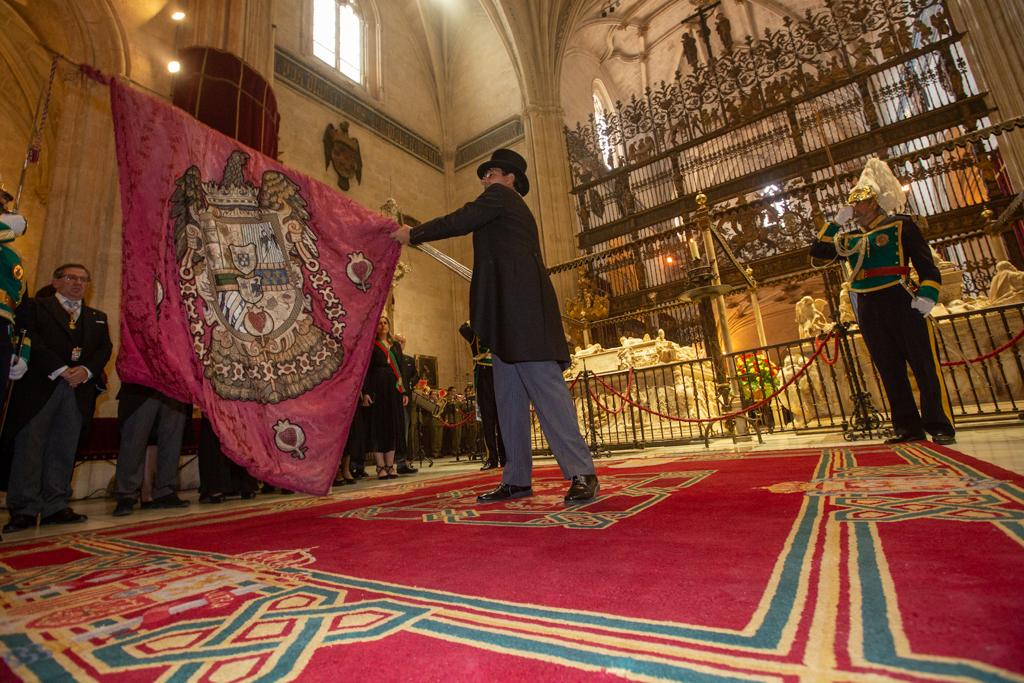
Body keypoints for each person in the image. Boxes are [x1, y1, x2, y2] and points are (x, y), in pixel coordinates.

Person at [390, 148, 599, 503]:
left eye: (492, 173)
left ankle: (583, 473)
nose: (485, 179)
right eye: (485, 175)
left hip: (525, 316)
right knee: (509, 403)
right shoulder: (501, 205)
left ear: (510, 178)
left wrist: (415, 233)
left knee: (548, 396)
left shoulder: (501, 198)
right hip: (505, 319)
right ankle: (516, 479)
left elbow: (461, 218)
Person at [810, 157, 955, 445]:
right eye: (852, 202)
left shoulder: (901, 227)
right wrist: (834, 224)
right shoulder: (849, 239)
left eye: (859, 201)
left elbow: (928, 266)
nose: (854, 207)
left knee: (923, 365)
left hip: (900, 298)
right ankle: (907, 427)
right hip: (869, 305)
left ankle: (939, 424)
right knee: (889, 368)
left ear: (874, 202)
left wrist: (927, 295)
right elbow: (817, 253)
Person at [2, 263, 112, 533]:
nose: (77, 284)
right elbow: (30, 339)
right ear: (55, 282)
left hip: (77, 389)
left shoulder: (97, 316)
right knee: (31, 446)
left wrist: (85, 371)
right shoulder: (36, 307)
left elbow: (103, 349)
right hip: (42, 385)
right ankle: (24, 507)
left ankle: (56, 503)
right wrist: (61, 369)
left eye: (83, 280)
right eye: (71, 278)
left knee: (64, 446)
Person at [112, 383, 191, 516]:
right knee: (134, 439)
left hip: (175, 385)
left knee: (172, 439)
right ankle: (126, 494)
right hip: (141, 384)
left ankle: (165, 491)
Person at [361, 315, 407, 479]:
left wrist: (405, 392)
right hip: (377, 389)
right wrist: (365, 392)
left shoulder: (395, 347)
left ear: (388, 325)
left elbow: (402, 370)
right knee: (379, 427)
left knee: (392, 426)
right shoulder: (371, 346)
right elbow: (365, 371)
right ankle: (380, 467)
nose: (382, 325)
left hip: (394, 390)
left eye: (385, 322)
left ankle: (390, 465)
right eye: (379, 323)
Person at [459, 321, 505, 470]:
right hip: (483, 374)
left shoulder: (497, 326)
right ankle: (492, 458)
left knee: (502, 420)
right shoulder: (474, 330)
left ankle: (505, 457)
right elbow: (462, 328)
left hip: (500, 373)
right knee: (488, 420)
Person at [392, 332, 418, 474]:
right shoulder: (391, 358)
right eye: (397, 341)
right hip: (393, 396)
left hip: (406, 396)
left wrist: (410, 384)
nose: (400, 344)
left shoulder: (409, 359)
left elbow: (416, 375)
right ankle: (394, 461)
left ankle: (404, 460)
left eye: (402, 341)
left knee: (406, 427)